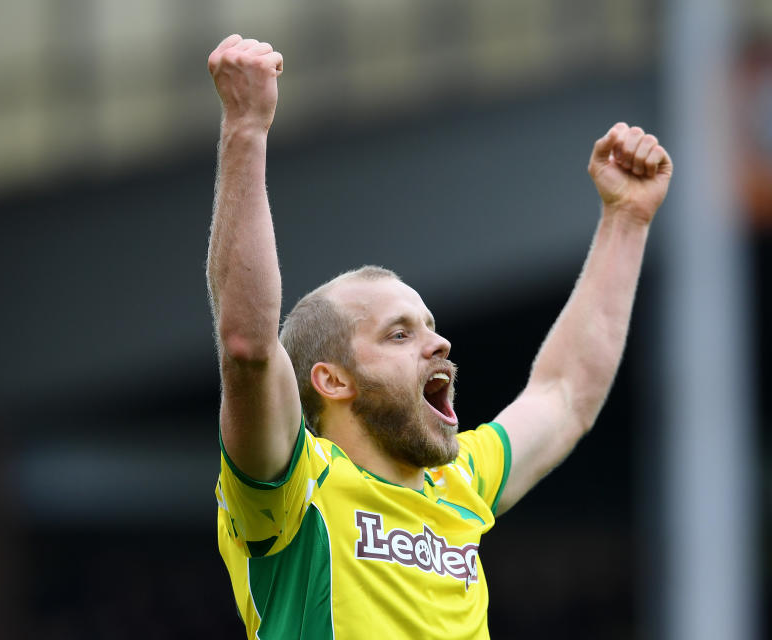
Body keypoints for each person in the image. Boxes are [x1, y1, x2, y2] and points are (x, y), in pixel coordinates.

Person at [206, 33, 672, 640]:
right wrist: (245, 127)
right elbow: (247, 348)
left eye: (430, 327)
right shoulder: (292, 490)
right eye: (398, 334)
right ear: (332, 379)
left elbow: (564, 394)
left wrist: (626, 220)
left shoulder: (459, 482)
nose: (438, 344)